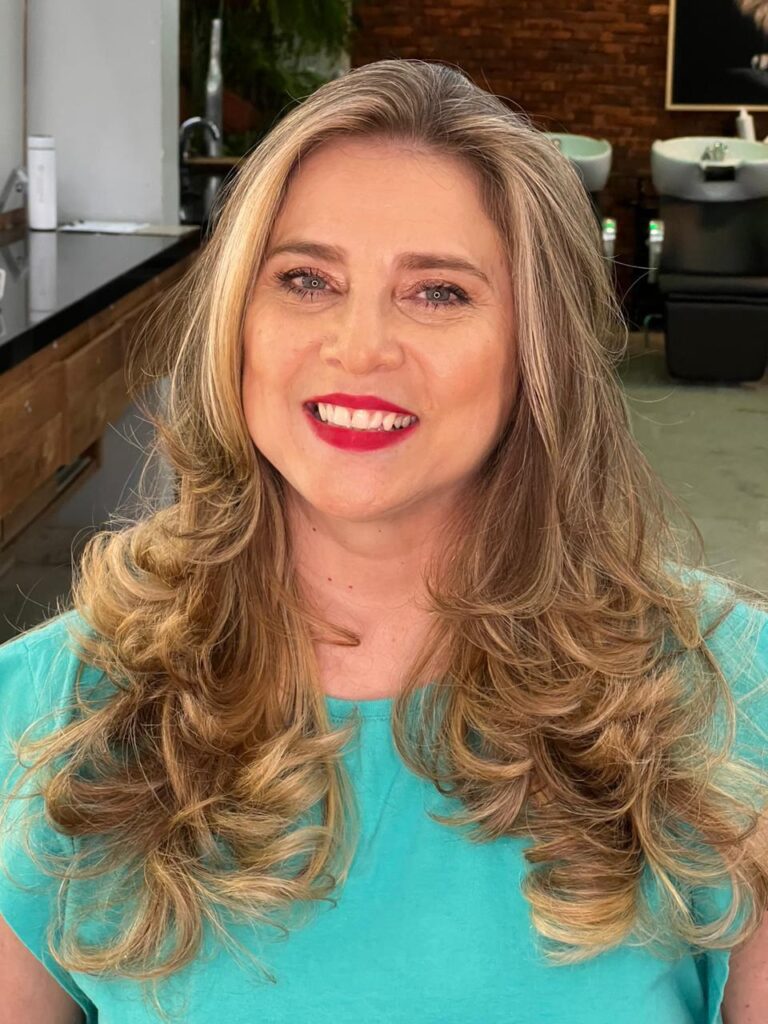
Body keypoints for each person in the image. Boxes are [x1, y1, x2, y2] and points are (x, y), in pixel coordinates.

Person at [1, 58, 768, 1024]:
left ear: (540, 350)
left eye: (438, 292)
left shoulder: (734, 696)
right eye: (306, 280)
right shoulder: (44, 716)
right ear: (238, 321)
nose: (359, 347)